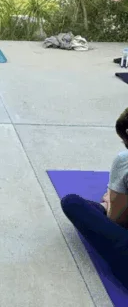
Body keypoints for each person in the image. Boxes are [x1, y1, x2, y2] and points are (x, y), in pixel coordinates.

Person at [61, 106, 128, 290]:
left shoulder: (125, 160)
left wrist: (111, 204)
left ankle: (104, 205)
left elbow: (117, 220)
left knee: (72, 202)